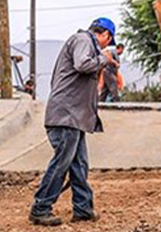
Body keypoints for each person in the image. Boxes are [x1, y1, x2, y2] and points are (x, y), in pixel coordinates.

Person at [28, 18, 117, 226]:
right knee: (62, 163)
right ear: (105, 35)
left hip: (73, 117)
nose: (107, 46)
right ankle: (40, 207)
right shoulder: (83, 40)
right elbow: (83, 64)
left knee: (79, 164)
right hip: (65, 116)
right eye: (108, 41)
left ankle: (83, 208)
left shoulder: (82, 41)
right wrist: (103, 59)